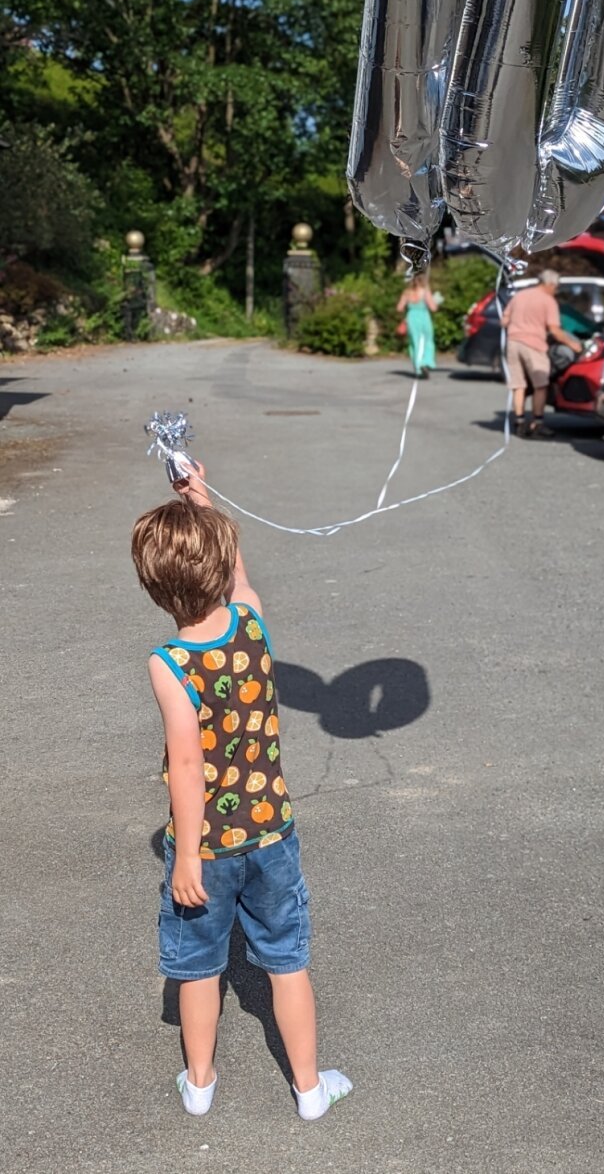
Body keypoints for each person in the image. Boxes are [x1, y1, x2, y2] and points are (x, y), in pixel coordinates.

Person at [131, 464, 352, 1121]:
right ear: (223, 564)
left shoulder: (169, 663)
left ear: (154, 587)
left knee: (199, 967)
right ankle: (309, 1089)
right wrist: (201, 497)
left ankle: (199, 1083)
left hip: (211, 848)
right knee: (287, 962)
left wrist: (191, 858)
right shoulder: (251, 626)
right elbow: (243, 580)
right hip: (272, 835)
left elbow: (188, 764)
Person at [500, 268, 583, 437]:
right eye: (556, 287)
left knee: (518, 385)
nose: (556, 290)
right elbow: (555, 330)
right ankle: (537, 424)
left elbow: (504, 321)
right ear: (550, 284)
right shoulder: (548, 301)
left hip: (513, 343)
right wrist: (573, 345)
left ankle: (519, 422)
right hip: (533, 345)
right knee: (541, 385)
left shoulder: (519, 296)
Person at [397, 273, 438, 378]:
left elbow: (399, 308)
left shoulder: (406, 293)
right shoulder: (424, 291)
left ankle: (418, 365)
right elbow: (433, 308)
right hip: (424, 318)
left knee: (415, 343)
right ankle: (426, 362)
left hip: (412, 318)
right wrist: (436, 301)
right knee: (427, 341)